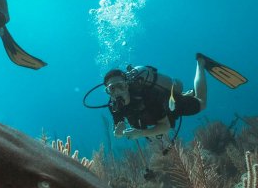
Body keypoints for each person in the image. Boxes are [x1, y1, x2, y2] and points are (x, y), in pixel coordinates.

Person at [103, 52, 247, 142]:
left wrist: (140, 134)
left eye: (120, 86)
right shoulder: (114, 106)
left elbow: (166, 127)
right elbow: (118, 131)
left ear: (127, 85)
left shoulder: (148, 96)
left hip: (166, 103)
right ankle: (182, 95)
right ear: (107, 92)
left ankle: (201, 62)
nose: (117, 92)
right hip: (154, 114)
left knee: (201, 103)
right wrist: (119, 132)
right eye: (112, 89)